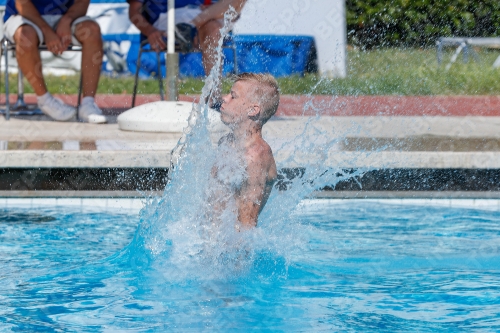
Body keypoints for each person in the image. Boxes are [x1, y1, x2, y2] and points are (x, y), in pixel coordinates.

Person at [3, 0, 106, 123]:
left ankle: (88, 104)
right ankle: (45, 100)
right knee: (25, 35)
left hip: (64, 15)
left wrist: (66, 20)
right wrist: (47, 31)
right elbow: (22, 4)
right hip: (24, 16)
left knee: (92, 31)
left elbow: (83, 2)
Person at [211, 73, 279, 230]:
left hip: (229, 248)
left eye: (233, 96)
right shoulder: (226, 143)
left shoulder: (255, 156)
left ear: (253, 110)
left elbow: (246, 226)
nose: (224, 98)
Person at [128, 0, 246, 76]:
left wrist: (213, 8)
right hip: (170, 17)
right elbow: (133, 12)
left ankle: (190, 28)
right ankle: (214, 97)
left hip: (201, 14)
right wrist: (150, 31)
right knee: (213, 27)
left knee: (215, 24)